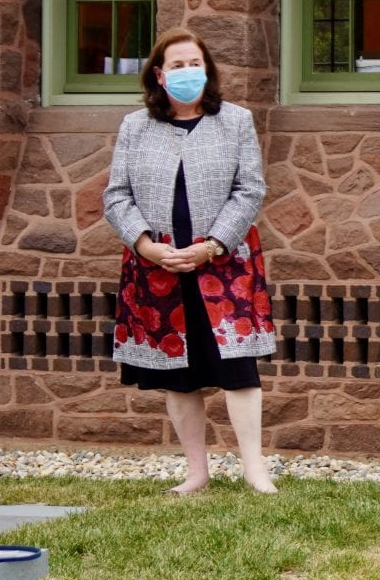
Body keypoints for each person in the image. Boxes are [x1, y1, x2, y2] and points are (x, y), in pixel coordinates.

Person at [103, 30, 276, 494]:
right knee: (177, 374)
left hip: (224, 266)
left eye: (194, 63)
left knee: (237, 368)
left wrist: (212, 245)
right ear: (159, 76)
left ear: (207, 70)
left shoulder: (236, 121)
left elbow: (250, 189)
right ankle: (196, 472)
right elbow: (116, 196)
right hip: (158, 269)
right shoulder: (134, 126)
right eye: (177, 65)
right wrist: (145, 246)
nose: (187, 72)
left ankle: (255, 470)